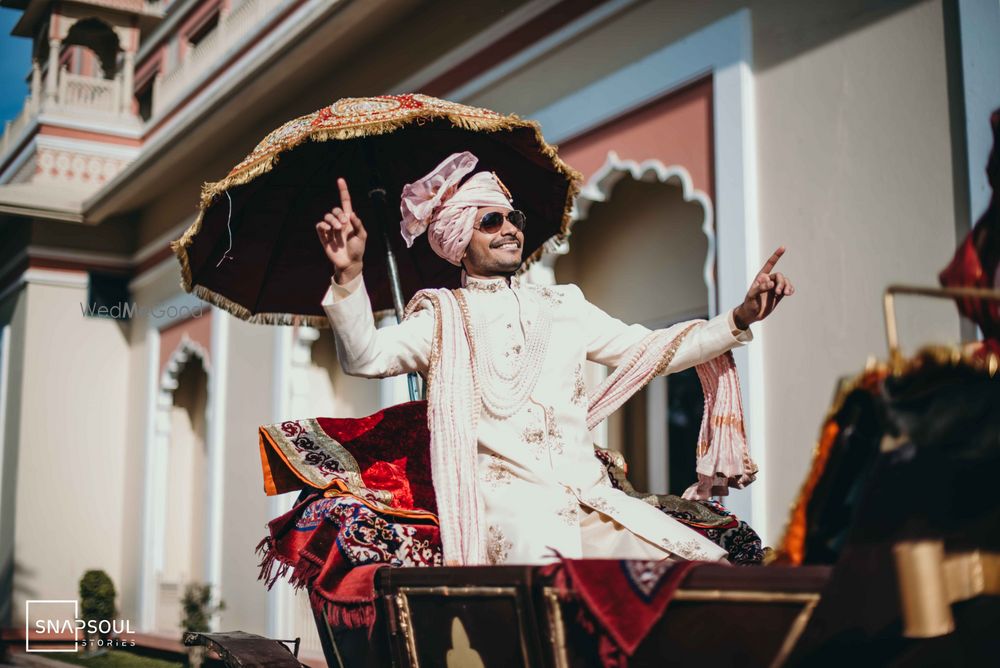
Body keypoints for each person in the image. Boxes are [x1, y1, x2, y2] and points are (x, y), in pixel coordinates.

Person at [315, 152, 794, 565]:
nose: (509, 230)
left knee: (702, 573)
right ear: (459, 239)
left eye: (513, 219)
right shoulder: (440, 319)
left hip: (596, 503)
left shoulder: (564, 304)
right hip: (518, 521)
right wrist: (350, 275)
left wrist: (738, 318)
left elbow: (649, 350)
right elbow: (366, 357)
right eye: (490, 221)